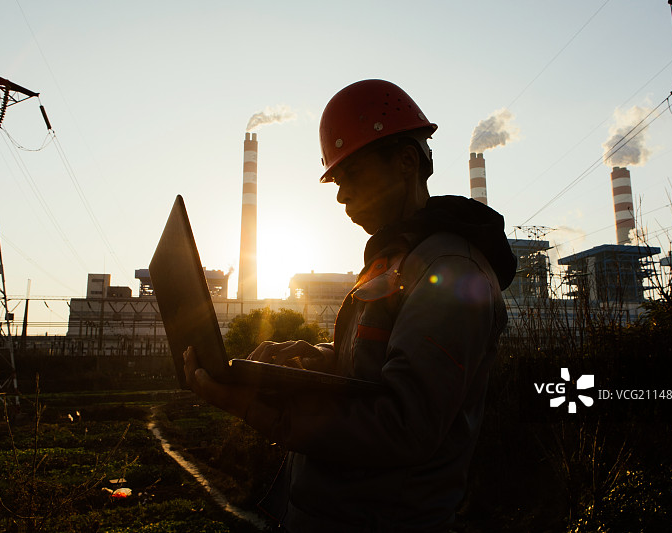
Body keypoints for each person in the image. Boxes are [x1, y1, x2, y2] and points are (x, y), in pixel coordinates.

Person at [184, 79, 517, 532]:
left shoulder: (451, 272)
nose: (341, 195)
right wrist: (316, 358)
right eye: (337, 181)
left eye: (354, 174)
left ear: (406, 162)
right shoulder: (395, 260)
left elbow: (404, 425)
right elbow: (378, 366)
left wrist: (255, 407)